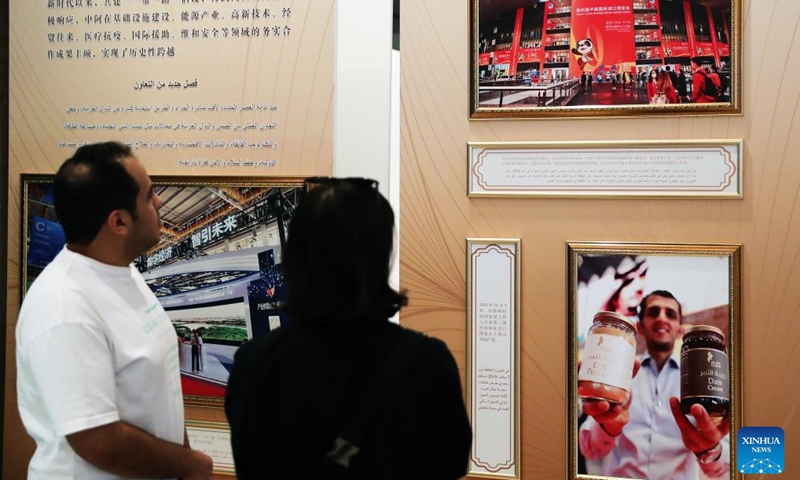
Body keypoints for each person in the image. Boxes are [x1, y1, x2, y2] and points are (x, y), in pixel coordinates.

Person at [225, 177, 472, 480]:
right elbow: (452, 463)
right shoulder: (426, 362)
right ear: (379, 256)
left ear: (295, 257)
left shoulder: (254, 362)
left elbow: (247, 462)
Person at [16, 141, 213, 479]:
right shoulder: (64, 307)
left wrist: (182, 455)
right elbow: (97, 441)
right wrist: (190, 464)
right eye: (149, 195)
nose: (159, 201)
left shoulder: (123, 270)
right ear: (119, 222)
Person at [579, 290, 730, 480]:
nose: (661, 318)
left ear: (680, 329)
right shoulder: (619, 372)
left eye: (671, 314)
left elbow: (724, 471)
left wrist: (709, 449)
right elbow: (590, 451)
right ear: (640, 327)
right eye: (653, 312)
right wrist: (608, 428)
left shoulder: (701, 384)